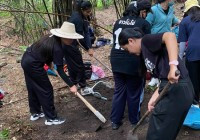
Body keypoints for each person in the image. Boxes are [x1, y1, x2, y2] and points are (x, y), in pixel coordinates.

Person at [118, 28, 194, 140]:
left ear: (131, 41)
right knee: (167, 132)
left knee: (157, 129)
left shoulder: (146, 40)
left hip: (177, 89)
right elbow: (163, 76)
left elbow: (170, 36)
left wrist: (173, 66)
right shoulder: (146, 52)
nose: (129, 52)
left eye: (126, 49)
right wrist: (154, 96)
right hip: (177, 89)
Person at [21, 22, 83, 125]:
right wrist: (71, 85)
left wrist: (48, 63)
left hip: (26, 59)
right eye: (70, 38)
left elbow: (44, 51)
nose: (72, 40)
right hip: (34, 64)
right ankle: (51, 118)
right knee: (46, 89)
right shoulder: (58, 48)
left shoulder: (51, 38)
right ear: (64, 36)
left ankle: (35, 112)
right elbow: (60, 70)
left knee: (32, 87)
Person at [110, 1, 151, 130]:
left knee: (119, 90)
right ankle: (134, 120)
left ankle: (115, 121)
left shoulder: (118, 22)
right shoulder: (144, 23)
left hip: (116, 60)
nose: (145, 14)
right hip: (133, 61)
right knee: (134, 92)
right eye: (145, 12)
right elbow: (147, 44)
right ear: (141, 11)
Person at [146, 0, 180, 87]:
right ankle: (154, 77)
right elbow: (147, 24)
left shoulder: (171, 9)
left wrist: (181, 22)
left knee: (165, 59)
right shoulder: (154, 10)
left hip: (167, 39)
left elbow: (173, 19)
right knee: (155, 59)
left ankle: (163, 79)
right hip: (156, 38)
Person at [65, 0, 94, 95]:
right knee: (79, 65)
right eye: (87, 12)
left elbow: (86, 33)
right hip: (68, 42)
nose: (89, 13)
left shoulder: (82, 16)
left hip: (69, 42)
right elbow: (80, 38)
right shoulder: (77, 18)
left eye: (90, 11)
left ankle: (73, 83)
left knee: (72, 64)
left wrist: (89, 46)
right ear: (82, 10)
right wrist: (88, 48)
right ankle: (83, 86)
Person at [178, 0, 200, 107]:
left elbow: (182, 43)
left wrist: (180, 59)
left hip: (193, 52)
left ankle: (195, 101)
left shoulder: (185, 21)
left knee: (193, 77)